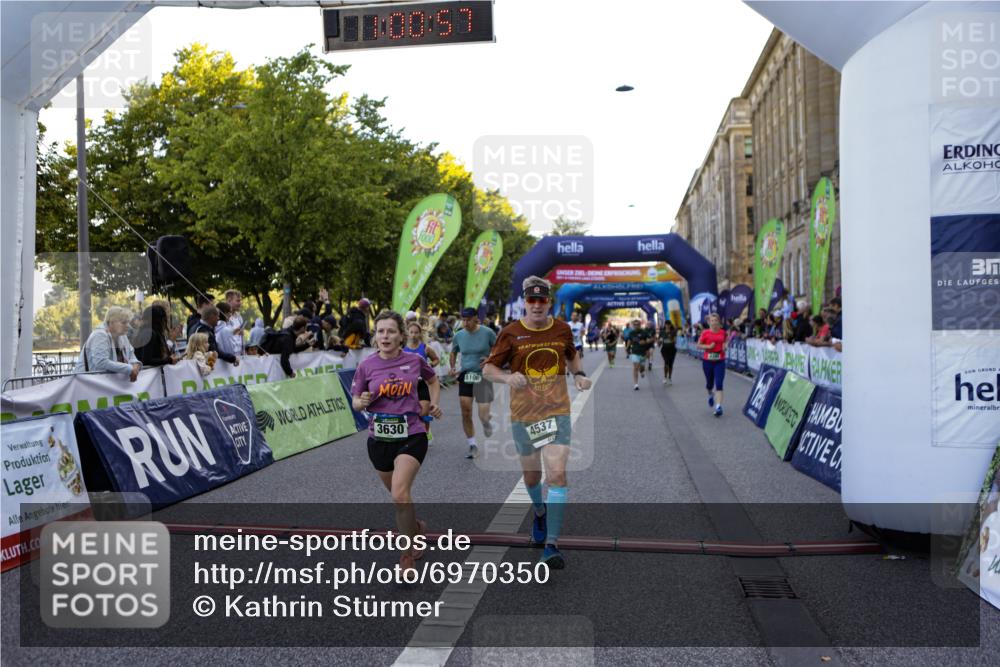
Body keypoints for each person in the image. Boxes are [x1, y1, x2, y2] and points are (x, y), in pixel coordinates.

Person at [483, 276, 591, 570]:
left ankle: (552, 545)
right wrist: (507, 377)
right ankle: (540, 510)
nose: (537, 305)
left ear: (549, 302)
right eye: (532, 300)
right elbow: (489, 368)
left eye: (542, 300)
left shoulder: (562, 329)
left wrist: (578, 375)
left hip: (556, 410)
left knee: (556, 475)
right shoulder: (510, 333)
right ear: (525, 302)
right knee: (532, 478)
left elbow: (572, 355)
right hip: (524, 413)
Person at [351, 310, 442, 574]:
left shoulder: (414, 361)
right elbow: (355, 401)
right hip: (378, 439)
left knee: (400, 494)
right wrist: (362, 402)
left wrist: (434, 403)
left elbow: (433, 379)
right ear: (375, 335)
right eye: (380, 331)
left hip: (412, 434)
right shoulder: (366, 365)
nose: (385, 336)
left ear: (401, 336)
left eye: (391, 331)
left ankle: (406, 557)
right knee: (400, 498)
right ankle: (415, 528)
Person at [449, 307, 497, 459]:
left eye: (468, 320)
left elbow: (498, 349)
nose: (465, 323)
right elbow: (453, 351)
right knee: (466, 411)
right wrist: (452, 367)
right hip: (466, 375)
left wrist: (491, 359)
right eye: (463, 319)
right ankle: (472, 445)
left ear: (476, 318)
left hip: (483, 375)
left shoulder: (488, 333)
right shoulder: (459, 335)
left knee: (482, 414)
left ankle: (486, 422)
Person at [75, 306, 142, 381]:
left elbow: (131, 355)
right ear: (111, 322)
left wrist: (136, 365)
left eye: (127, 322)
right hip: (87, 383)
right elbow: (101, 362)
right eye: (123, 323)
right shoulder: (100, 335)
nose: (127, 326)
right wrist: (129, 368)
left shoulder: (122, 336)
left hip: (104, 383)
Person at [404, 321, 441, 438]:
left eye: (416, 332)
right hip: (408, 384)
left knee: (424, 412)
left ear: (420, 334)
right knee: (409, 411)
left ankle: (426, 431)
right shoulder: (402, 348)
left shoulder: (425, 348)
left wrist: (430, 365)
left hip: (422, 383)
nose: (414, 335)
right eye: (411, 332)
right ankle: (413, 433)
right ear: (407, 333)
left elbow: (436, 359)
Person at [696, 312, 727, 417]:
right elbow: (698, 345)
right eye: (712, 321)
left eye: (715, 321)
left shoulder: (723, 332)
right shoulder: (705, 333)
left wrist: (725, 346)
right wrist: (709, 347)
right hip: (708, 362)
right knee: (709, 384)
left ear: (719, 322)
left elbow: (725, 341)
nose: (714, 323)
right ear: (709, 322)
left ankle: (718, 407)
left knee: (719, 384)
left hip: (720, 361)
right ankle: (710, 394)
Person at [627, 319, 653, 391]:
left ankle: (642, 371)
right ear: (633, 325)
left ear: (640, 325)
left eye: (637, 325)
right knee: (635, 367)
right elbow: (629, 340)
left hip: (643, 352)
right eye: (634, 325)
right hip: (634, 352)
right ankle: (636, 384)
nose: (636, 326)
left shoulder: (644, 332)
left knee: (641, 368)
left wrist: (645, 341)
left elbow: (651, 339)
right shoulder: (631, 333)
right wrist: (627, 348)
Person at [224, 289, 245, 357]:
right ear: (229, 301)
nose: (240, 303)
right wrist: (234, 332)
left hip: (239, 357)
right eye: (237, 301)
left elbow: (241, 338)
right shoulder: (220, 317)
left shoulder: (239, 317)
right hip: (227, 358)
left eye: (240, 300)